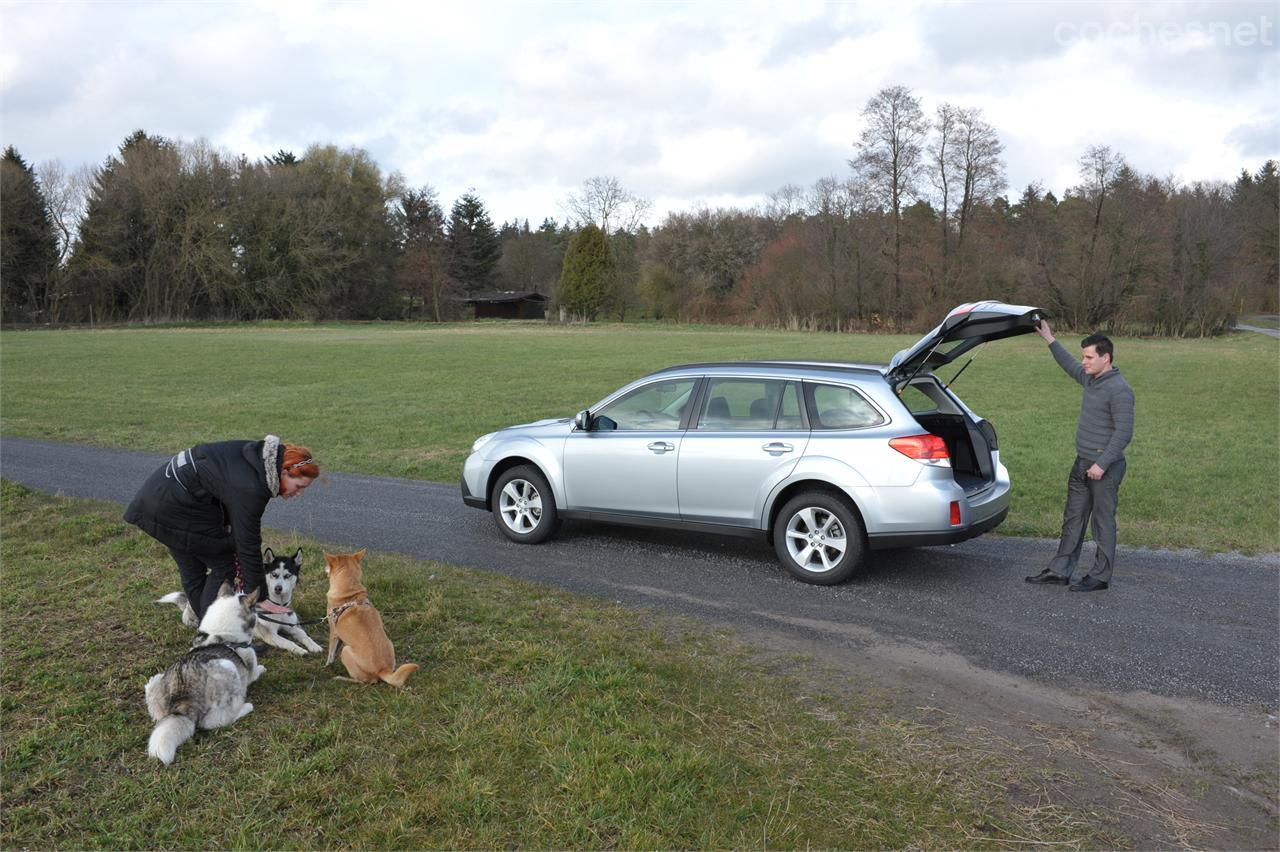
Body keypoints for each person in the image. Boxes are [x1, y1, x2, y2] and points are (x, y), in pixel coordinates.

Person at [125, 435, 319, 620]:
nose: (299, 493)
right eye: (299, 486)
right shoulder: (252, 487)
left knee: (193, 567)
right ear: (285, 472)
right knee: (224, 564)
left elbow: (224, 492)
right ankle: (213, 636)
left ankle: (207, 632)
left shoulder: (256, 457)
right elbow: (247, 543)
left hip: (158, 499)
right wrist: (258, 596)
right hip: (173, 508)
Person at [1025, 321, 1135, 592]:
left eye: (1089, 357)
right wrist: (1049, 339)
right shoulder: (1090, 378)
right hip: (1082, 463)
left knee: (1102, 523)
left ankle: (1100, 576)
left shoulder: (1120, 390)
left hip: (1104, 468)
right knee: (1073, 518)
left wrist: (1101, 464)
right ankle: (1059, 570)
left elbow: (1123, 433)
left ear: (1105, 358)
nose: (1083, 362)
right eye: (1083, 356)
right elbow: (1068, 364)